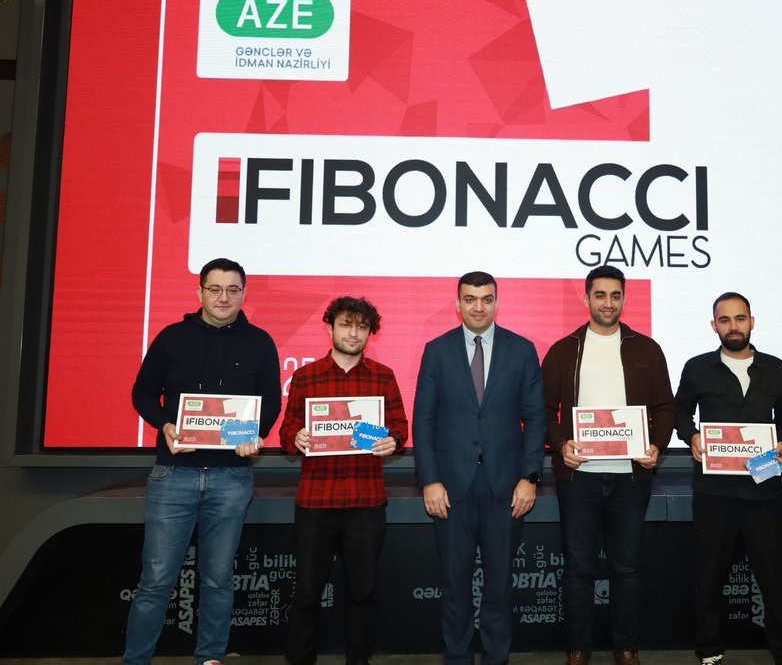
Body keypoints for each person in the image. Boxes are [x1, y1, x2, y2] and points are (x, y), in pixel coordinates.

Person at [124, 258, 282, 665]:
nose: (223, 297)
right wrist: (165, 424)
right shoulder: (171, 337)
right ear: (200, 292)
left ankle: (210, 658)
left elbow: (271, 401)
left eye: (232, 289)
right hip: (173, 475)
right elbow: (142, 392)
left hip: (232, 477)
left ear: (243, 294)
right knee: (156, 580)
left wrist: (255, 434)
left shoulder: (260, 342)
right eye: (215, 289)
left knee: (218, 580)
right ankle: (135, 660)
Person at [542, 265, 676, 665]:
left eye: (615, 295)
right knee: (578, 569)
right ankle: (578, 648)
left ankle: (626, 648)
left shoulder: (646, 349)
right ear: (586, 299)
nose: (608, 303)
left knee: (627, 568)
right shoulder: (563, 349)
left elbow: (665, 407)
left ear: (624, 299)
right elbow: (542, 410)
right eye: (600, 295)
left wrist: (657, 444)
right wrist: (560, 444)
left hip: (630, 479)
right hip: (578, 479)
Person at [412, 271, 546, 665]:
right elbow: (423, 420)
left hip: (507, 489)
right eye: (470, 299)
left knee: (499, 587)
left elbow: (535, 418)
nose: (478, 307)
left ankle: (495, 659)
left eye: (486, 299)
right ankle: (457, 658)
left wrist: (530, 477)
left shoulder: (522, 350)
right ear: (458, 304)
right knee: (455, 585)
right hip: (451, 489)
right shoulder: (436, 350)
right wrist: (430, 480)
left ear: (496, 303)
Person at [279, 296, 409, 665]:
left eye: (362, 326)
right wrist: (296, 438)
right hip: (316, 501)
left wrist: (393, 440)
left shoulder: (383, 376)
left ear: (370, 332)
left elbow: (399, 427)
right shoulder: (306, 376)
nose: (353, 333)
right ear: (331, 327)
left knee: (363, 592)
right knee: (307, 593)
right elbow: (287, 430)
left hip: (366, 501)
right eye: (346, 324)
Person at [675, 292, 782, 665]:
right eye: (725, 320)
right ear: (714, 325)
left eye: (740, 318)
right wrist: (691, 436)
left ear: (752, 322)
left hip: (765, 489)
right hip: (713, 492)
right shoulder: (697, 367)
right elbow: (680, 411)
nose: (733, 326)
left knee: (774, 578)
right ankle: (708, 650)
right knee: (709, 577)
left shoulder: (775, 368)